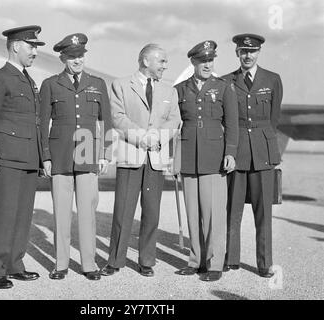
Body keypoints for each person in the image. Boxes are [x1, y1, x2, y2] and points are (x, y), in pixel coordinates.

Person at [100, 44, 181, 277]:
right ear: (146, 61)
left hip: (156, 158)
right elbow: (117, 118)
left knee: (152, 212)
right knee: (123, 211)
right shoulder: (120, 85)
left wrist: (156, 137)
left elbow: (174, 121)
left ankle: (146, 260)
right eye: (162, 61)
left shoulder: (170, 91)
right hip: (130, 156)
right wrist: (142, 138)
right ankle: (115, 261)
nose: (166, 66)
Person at [39, 33, 113, 281]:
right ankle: (60, 264)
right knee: (61, 212)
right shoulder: (50, 84)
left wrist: (105, 154)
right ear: (63, 58)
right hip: (59, 156)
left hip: (88, 154)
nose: (77, 60)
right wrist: (45, 157)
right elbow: (43, 124)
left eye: (80, 55)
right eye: (72, 56)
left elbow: (107, 122)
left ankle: (89, 264)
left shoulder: (98, 84)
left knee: (87, 213)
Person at [0, 25, 45, 289]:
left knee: (22, 215)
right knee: (4, 214)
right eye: (31, 46)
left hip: (28, 157)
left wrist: (41, 157)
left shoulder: (28, 80)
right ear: (16, 46)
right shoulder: (0, 77)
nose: (35, 53)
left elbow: (36, 122)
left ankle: (15, 264)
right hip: (7, 156)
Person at [173, 40, 238, 281]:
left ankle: (215, 264)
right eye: (203, 61)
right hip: (189, 156)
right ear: (193, 62)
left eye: (211, 60)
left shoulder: (223, 88)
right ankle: (196, 260)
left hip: (214, 157)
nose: (207, 64)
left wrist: (230, 152)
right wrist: (175, 158)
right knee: (193, 213)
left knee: (213, 214)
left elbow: (232, 123)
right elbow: (173, 123)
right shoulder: (180, 89)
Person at [223, 34, 283, 277]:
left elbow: (274, 118)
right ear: (237, 53)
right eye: (243, 51)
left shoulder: (272, 79)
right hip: (237, 152)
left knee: (263, 212)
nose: (247, 56)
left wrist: (268, 148)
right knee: (233, 209)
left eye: (252, 51)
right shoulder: (226, 80)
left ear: (259, 53)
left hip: (262, 152)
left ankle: (265, 263)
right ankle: (231, 259)